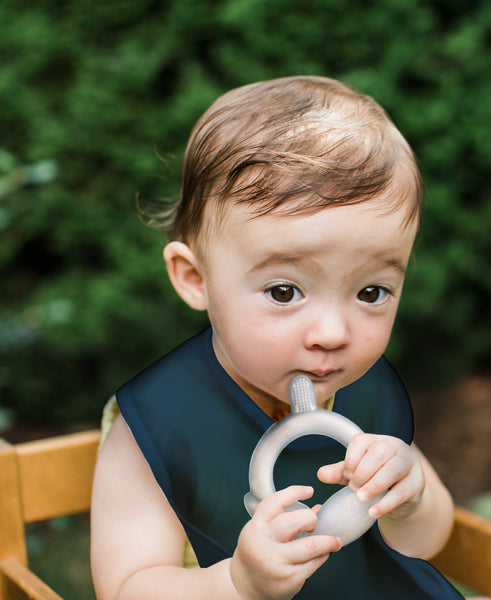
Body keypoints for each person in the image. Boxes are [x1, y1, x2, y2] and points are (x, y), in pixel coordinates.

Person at [91, 75, 464, 599]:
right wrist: (237, 583)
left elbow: (425, 541)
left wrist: (411, 500)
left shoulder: (364, 393)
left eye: (372, 292)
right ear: (195, 279)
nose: (333, 334)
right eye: (285, 292)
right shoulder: (155, 426)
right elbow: (127, 588)